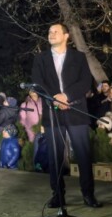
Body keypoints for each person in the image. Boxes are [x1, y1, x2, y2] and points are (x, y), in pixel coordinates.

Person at [31, 22, 101, 207]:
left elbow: (85, 82)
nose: (51, 34)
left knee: (83, 155)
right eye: (49, 31)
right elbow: (37, 83)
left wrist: (66, 96)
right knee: (55, 156)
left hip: (76, 111)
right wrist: (55, 99)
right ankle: (58, 195)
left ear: (66, 35)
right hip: (52, 113)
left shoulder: (78, 57)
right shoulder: (41, 59)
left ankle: (88, 194)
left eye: (55, 31)